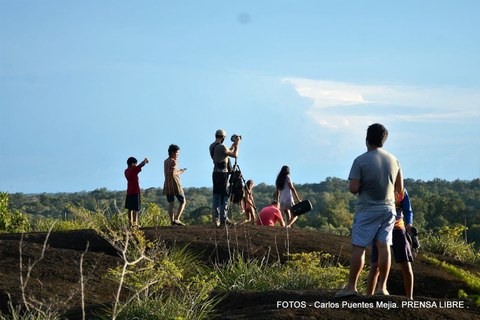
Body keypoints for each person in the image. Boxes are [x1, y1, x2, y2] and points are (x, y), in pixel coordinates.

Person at [335, 123, 403, 298]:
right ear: (384, 140)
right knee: (384, 246)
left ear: (367, 139)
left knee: (360, 247)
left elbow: (353, 188)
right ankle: (383, 288)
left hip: (367, 209)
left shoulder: (360, 160)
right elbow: (399, 189)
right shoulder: (394, 160)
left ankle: (351, 287)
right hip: (388, 209)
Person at [367, 188, 414, 300]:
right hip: (380, 228)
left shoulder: (401, 190)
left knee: (405, 263)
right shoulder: (378, 187)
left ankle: (410, 298)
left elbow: (407, 210)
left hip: (398, 228)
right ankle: (368, 297)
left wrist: (409, 224)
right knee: (375, 265)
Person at [209, 129, 240, 227]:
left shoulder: (212, 146)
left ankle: (215, 219)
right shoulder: (222, 147)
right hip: (223, 175)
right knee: (224, 196)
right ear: (223, 138)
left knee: (216, 195)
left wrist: (233, 145)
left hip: (215, 173)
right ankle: (223, 219)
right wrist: (237, 144)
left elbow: (225, 153)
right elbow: (235, 155)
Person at [163, 144, 187, 226]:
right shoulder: (174, 161)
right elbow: (172, 173)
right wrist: (180, 172)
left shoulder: (166, 161)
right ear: (172, 152)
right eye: (177, 153)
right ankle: (177, 218)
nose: (177, 155)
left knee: (171, 203)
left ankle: (172, 221)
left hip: (167, 184)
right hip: (175, 184)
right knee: (183, 201)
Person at [124, 156, 149, 228]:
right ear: (132, 164)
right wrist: (145, 160)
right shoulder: (133, 170)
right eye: (135, 164)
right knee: (136, 209)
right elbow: (141, 165)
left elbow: (138, 166)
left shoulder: (126, 171)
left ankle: (130, 224)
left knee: (130, 209)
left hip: (129, 192)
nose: (135, 165)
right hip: (135, 191)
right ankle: (135, 223)